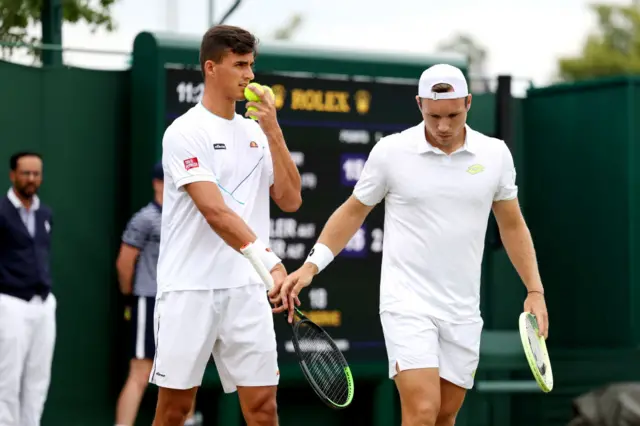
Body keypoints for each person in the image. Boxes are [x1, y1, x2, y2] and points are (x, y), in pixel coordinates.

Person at [278, 64, 549, 426]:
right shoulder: (391, 152)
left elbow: (512, 225)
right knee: (421, 412)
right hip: (406, 303)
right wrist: (311, 266)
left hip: (462, 308)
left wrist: (535, 289)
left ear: (468, 103)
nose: (443, 126)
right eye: (433, 115)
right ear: (419, 103)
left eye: (453, 114)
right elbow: (352, 212)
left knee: (444, 415)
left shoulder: (496, 155)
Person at [150, 25, 302, 426]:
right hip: (189, 289)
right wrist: (268, 261)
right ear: (211, 68)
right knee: (174, 412)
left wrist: (273, 130)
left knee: (263, 410)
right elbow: (214, 211)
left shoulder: (256, 131)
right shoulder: (184, 132)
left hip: (245, 293)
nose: (249, 75)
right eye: (239, 65)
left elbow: (290, 199)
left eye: (251, 65)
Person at [114, 163, 200, 426]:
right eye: (168, 180)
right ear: (156, 183)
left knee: (185, 373)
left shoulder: (188, 217)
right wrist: (130, 297)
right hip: (149, 299)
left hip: (183, 301)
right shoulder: (145, 219)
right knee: (140, 372)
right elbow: (124, 263)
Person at [0, 152, 56, 426]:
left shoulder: (45, 213)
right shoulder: (1, 212)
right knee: (7, 378)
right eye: (26, 173)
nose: (32, 179)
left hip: (43, 304)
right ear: (13, 175)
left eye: (36, 173)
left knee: (38, 378)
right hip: (9, 302)